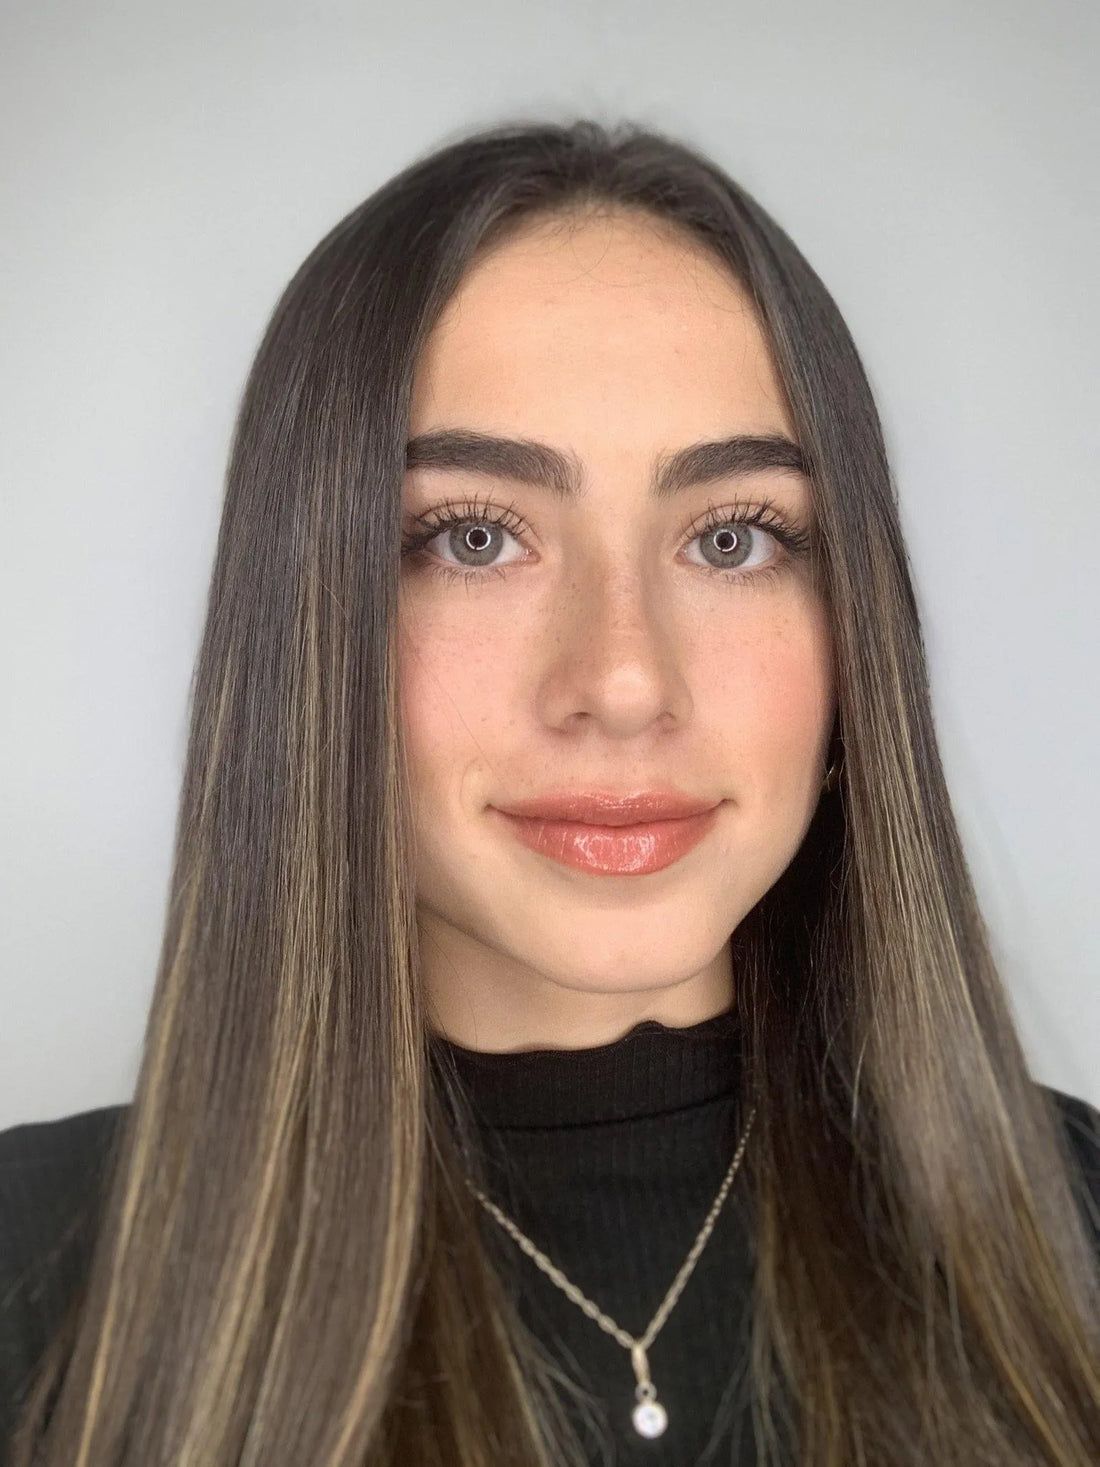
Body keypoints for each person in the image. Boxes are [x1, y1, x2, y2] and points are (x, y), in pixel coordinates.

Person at [1, 117, 1097, 1467]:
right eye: (475, 537)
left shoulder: (1081, 1232)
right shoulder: (26, 1279)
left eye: (732, 538)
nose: (624, 681)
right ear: (307, 627)